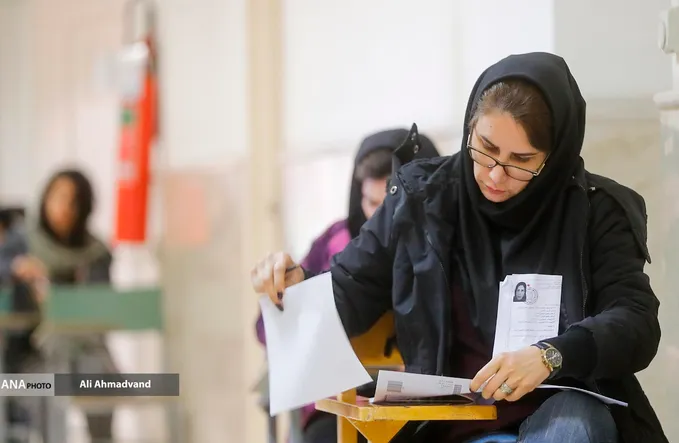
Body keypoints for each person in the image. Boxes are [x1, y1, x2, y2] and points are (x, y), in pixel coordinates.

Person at [251, 52, 668, 443]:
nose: (495, 175)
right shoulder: (421, 199)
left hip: (560, 417)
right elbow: (350, 290)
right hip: (450, 424)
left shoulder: (595, 211)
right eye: (486, 149)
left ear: (554, 157)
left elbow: (635, 320)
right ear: (470, 127)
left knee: (575, 422)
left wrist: (551, 357)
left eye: (521, 160)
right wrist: (294, 285)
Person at [255, 128, 440, 443]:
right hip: (335, 406)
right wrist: (284, 298)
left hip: (424, 403)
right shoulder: (334, 244)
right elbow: (265, 328)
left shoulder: (445, 247)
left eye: (391, 203)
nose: (381, 218)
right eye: (371, 202)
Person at [5, 169, 118, 442]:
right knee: (48, 387)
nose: (65, 208)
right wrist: (16, 269)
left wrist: (58, 292)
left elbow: (101, 306)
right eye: (58, 198)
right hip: (31, 355)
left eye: (74, 202)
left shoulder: (95, 253)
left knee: (100, 376)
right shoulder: (22, 241)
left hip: (82, 349)